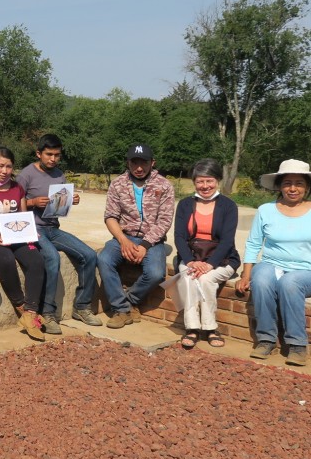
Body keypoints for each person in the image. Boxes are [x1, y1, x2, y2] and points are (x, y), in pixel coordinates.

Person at [16, 134, 102, 332]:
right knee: (52, 258)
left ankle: (81, 307)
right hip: (33, 228)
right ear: (39, 153)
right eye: (48, 154)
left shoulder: (59, 175)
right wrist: (32, 202)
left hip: (53, 228)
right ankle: (47, 313)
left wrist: (70, 200)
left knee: (89, 255)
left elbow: (58, 204)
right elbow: (14, 203)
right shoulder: (26, 175)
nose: (53, 159)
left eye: (57, 155)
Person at [235, 159, 311, 366]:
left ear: (307, 186)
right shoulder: (265, 210)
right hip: (272, 263)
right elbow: (253, 243)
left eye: (299, 183)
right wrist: (246, 275)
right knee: (261, 281)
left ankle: (297, 345)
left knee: (290, 283)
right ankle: (266, 339)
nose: (293, 188)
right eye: (287, 183)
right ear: (279, 185)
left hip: (306, 270)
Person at [0, 146, 46, 341]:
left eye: (9, 166)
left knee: (36, 260)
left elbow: (22, 216)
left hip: (13, 233)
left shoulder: (16, 188)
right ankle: (20, 305)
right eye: (0, 166)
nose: (4, 171)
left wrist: (29, 233)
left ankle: (30, 312)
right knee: (5, 259)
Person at [97, 143, 174, 329]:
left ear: (152, 162)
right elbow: (110, 217)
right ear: (128, 163)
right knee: (104, 259)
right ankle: (121, 310)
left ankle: (130, 301)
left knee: (156, 273)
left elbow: (164, 221)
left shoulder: (164, 185)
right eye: (134, 163)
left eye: (144, 163)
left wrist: (145, 246)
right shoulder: (118, 184)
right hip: (125, 236)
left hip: (152, 240)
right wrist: (123, 241)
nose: (139, 168)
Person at [172, 159, 240, 349]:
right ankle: (192, 328)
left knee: (206, 279)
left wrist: (209, 264)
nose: (205, 186)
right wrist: (191, 262)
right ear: (194, 182)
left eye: (209, 181)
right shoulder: (185, 205)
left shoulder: (228, 206)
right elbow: (179, 237)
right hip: (191, 256)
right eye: (200, 181)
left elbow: (227, 241)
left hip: (222, 258)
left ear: (217, 180)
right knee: (187, 277)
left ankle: (210, 328)